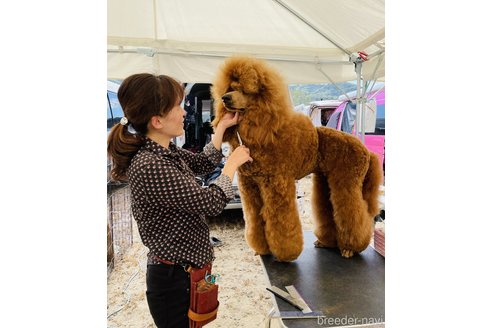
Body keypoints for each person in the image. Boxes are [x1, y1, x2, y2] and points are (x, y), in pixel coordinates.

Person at [107, 73, 253, 327]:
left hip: (186, 273)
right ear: (157, 120)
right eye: (177, 106)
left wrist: (221, 128)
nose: (184, 112)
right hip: (174, 281)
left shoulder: (165, 151)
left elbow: (203, 162)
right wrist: (232, 164)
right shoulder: (150, 164)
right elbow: (210, 202)